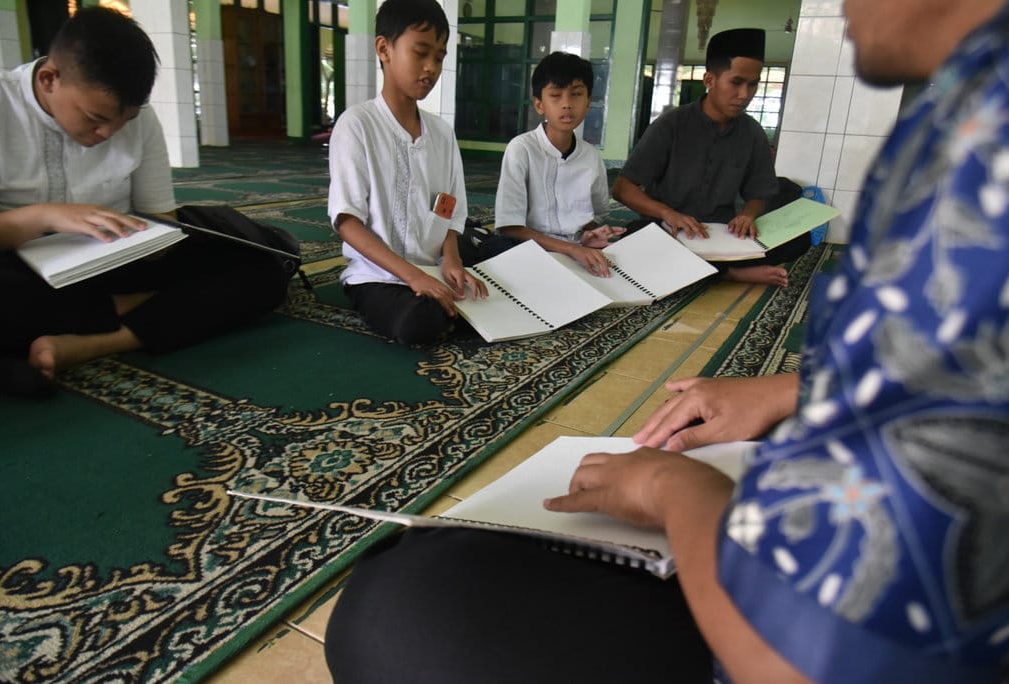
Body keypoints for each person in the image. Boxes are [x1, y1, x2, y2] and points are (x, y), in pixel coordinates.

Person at [322, 1, 1009, 682]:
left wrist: (674, 490)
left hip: (790, 627)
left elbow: (821, 652)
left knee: (393, 601)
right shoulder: (968, 112)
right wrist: (790, 390)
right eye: (423, 51)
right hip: (450, 261)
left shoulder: (982, 137)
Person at [0, 7, 290, 397]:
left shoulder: (139, 119)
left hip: (111, 263)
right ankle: (137, 312)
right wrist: (45, 217)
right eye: (95, 118)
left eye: (122, 122)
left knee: (263, 270)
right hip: (16, 270)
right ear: (49, 79)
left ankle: (95, 341)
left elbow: (160, 217)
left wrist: (151, 245)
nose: (108, 133)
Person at [328, 0, 485, 346]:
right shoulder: (358, 125)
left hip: (433, 270)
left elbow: (447, 208)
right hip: (378, 276)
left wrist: (452, 260)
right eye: (421, 53)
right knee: (419, 323)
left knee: (478, 292)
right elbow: (347, 221)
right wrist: (414, 277)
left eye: (440, 57)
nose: (431, 67)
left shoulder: (441, 134)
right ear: (384, 48)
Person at [612, 28, 802, 288]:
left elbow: (760, 193)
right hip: (670, 233)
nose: (745, 94)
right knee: (632, 242)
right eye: (736, 82)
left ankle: (708, 270)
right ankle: (731, 274)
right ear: (710, 80)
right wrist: (669, 214)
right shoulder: (672, 125)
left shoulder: (752, 132)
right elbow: (623, 189)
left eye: (753, 84)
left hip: (722, 235)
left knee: (799, 239)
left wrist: (747, 214)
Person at [481, 51, 625, 278]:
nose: (567, 105)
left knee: (622, 259)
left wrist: (588, 235)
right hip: (531, 247)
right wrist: (571, 248)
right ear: (539, 104)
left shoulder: (591, 157)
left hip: (577, 248)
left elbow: (597, 213)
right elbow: (509, 226)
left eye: (576, 95)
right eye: (556, 96)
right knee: (497, 250)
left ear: (588, 102)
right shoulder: (522, 149)